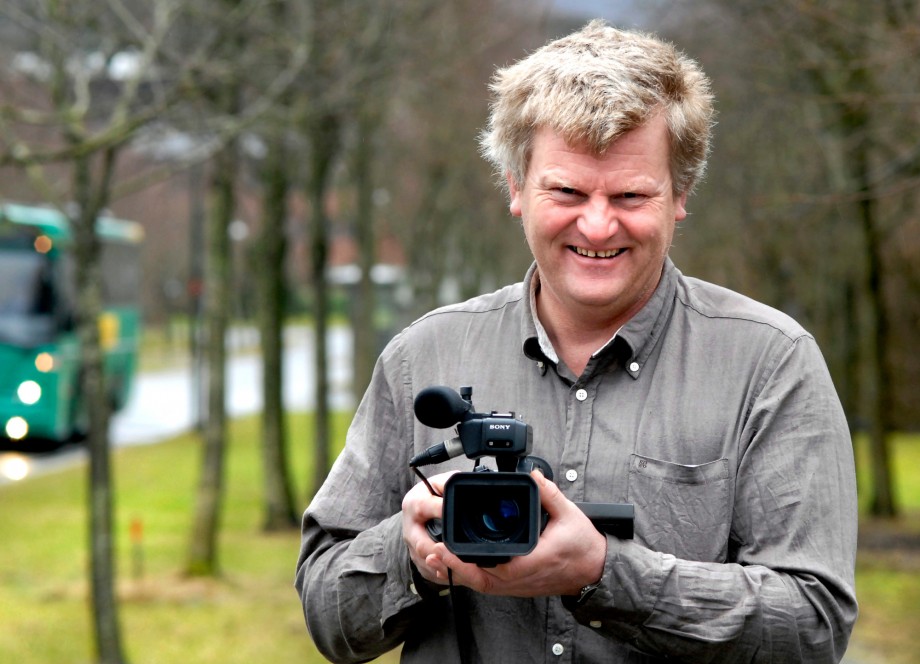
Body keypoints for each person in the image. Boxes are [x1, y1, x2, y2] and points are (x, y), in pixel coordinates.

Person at [295, 20, 858, 663]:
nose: (597, 223)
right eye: (566, 190)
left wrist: (605, 574)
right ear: (515, 187)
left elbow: (812, 627)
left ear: (680, 195)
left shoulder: (771, 364)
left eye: (630, 194)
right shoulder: (421, 356)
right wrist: (413, 550)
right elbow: (326, 613)